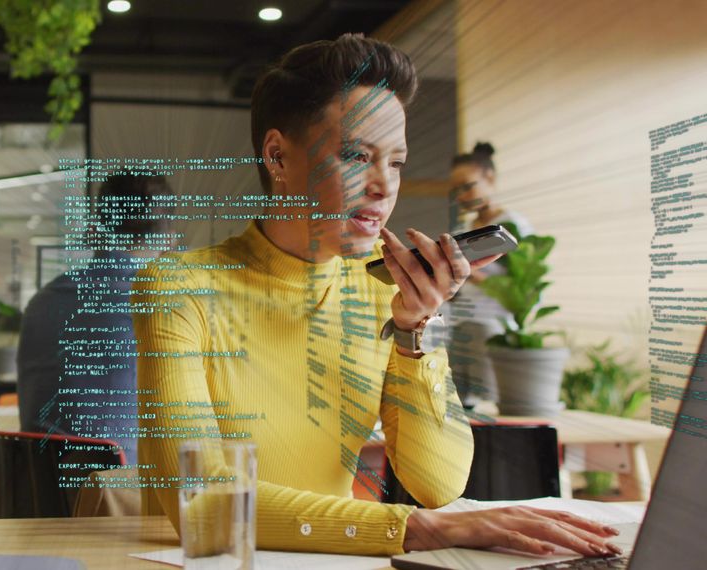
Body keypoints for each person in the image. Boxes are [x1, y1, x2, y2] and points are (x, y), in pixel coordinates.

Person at [132, 34, 621, 558]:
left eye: (396, 162)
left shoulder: (378, 294)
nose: (384, 186)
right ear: (277, 154)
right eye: (356, 156)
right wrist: (424, 530)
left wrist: (414, 328)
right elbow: (203, 505)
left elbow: (439, 483)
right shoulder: (177, 289)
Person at [18, 172, 175, 463]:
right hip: (122, 501)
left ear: (96, 229)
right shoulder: (161, 306)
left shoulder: (41, 302)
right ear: (168, 239)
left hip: (35, 496)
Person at [447, 143, 535, 404]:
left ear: (490, 179)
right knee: (459, 404)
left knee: (485, 404)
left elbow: (522, 287)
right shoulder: (464, 227)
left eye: (468, 186)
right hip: (460, 323)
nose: (462, 196)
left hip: (490, 327)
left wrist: (472, 274)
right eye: (457, 190)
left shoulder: (511, 225)